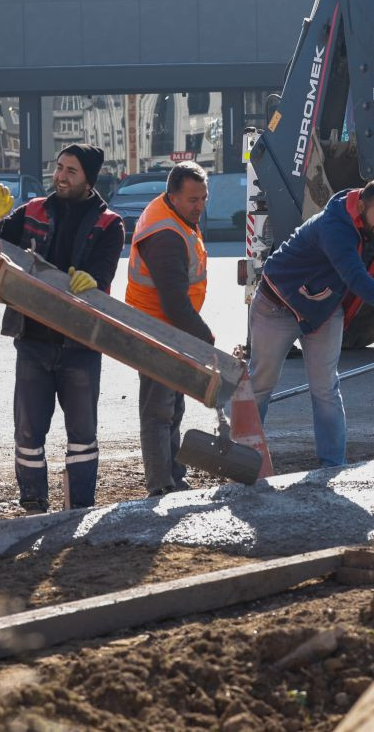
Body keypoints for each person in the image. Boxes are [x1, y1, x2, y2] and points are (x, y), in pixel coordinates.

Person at [0, 144, 125, 513]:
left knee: (82, 435)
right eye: (59, 167)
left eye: (71, 171)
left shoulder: (110, 224)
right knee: (28, 433)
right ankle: (32, 503)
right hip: (33, 340)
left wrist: (90, 280)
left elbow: (104, 273)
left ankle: (79, 507)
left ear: (88, 180)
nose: (61, 176)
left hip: (80, 344)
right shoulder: (31, 212)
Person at [249, 179, 374, 467]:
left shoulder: (370, 226)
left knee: (325, 388)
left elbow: (357, 277)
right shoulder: (334, 226)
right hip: (277, 304)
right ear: (361, 205)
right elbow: (355, 278)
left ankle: (332, 466)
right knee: (261, 383)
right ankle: (242, 455)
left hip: (323, 307)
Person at [123, 161, 215, 496]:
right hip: (156, 330)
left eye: (203, 198)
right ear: (172, 196)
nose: (200, 206)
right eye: (193, 200)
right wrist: (206, 340)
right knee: (159, 410)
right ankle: (160, 484)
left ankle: (173, 474)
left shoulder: (173, 215)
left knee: (172, 406)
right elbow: (175, 303)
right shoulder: (165, 236)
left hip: (166, 328)